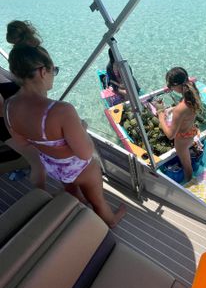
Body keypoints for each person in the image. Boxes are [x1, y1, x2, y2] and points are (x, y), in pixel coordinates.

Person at [5, 44, 126, 227]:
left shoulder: (7, 107)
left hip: (54, 167)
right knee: (98, 202)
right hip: (81, 169)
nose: (54, 74)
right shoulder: (61, 111)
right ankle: (111, 221)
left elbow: (23, 143)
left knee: (72, 190)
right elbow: (85, 153)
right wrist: (82, 128)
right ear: (42, 71)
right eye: (54, 70)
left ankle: (78, 204)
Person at [0, 20, 45, 187]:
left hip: (20, 118)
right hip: (7, 125)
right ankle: (42, 196)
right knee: (38, 161)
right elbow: (1, 110)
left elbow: (14, 79)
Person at [156, 67, 202, 181]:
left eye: (170, 86)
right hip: (191, 131)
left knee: (187, 167)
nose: (170, 88)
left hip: (182, 141)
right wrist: (174, 108)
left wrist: (161, 116)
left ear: (177, 85)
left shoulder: (180, 109)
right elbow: (186, 110)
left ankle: (188, 184)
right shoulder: (193, 90)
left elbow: (170, 135)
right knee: (187, 161)